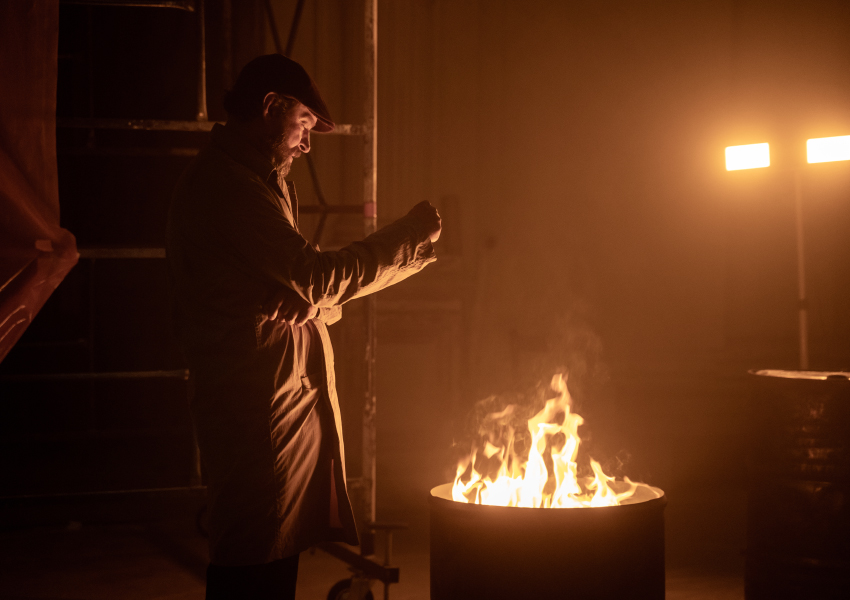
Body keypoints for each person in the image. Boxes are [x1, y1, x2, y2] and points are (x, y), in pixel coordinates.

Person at [166, 54, 441, 599]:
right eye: (305, 125)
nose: (307, 143)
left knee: (274, 553)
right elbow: (319, 277)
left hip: (279, 399)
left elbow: (313, 292)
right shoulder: (232, 189)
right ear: (271, 108)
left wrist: (312, 302)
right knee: (252, 558)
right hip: (254, 405)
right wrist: (408, 240)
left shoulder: (264, 181)